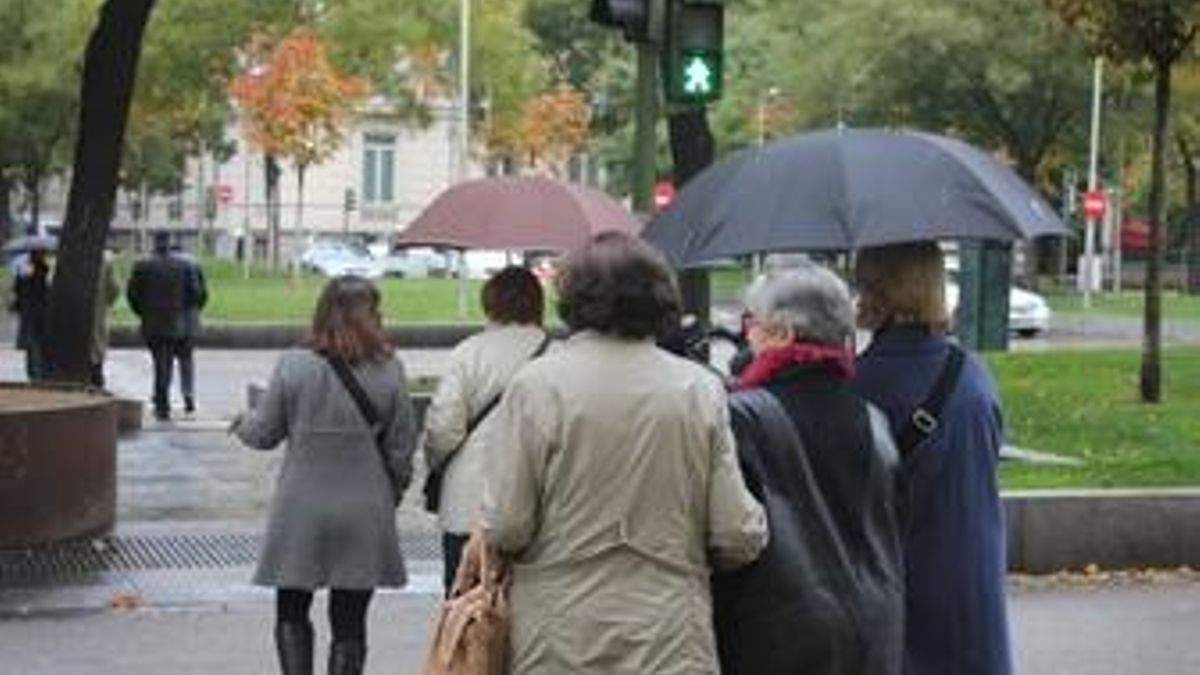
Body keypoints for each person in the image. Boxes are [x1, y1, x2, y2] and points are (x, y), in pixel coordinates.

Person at [480, 232, 767, 674]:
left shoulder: (538, 385)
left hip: (559, 630)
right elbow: (735, 533)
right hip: (668, 631)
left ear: (572, 299)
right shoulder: (697, 389)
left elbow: (508, 524)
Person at [713, 263, 904, 675]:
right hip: (877, 630)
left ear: (783, 333)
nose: (748, 335)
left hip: (779, 636)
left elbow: (728, 536)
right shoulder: (876, 421)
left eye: (753, 324)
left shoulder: (742, 418)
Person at [231, 275, 417, 675]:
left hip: (301, 508)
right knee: (350, 621)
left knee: (291, 609)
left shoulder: (294, 365)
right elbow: (402, 448)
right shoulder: (389, 370)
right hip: (364, 508)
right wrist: (392, 493)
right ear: (372, 315)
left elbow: (264, 434)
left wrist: (240, 422)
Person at [853, 242, 1012, 675]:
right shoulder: (974, 376)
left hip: (897, 589)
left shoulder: (858, 386)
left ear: (872, 292)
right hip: (974, 586)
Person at [422, 265, 550, 594]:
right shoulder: (556, 354)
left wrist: (437, 463)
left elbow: (443, 426)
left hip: (468, 501)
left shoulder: (469, 352)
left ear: (489, 303)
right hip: (537, 505)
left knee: (465, 605)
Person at [126, 232, 191, 420]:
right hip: (174, 321)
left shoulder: (142, 266)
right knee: (165, 361)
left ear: (155, 243)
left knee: (159, 361)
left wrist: (142, 312)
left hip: (151, 321)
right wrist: (180, 309)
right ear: (170, 243)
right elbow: (194, 293)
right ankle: (162, 399)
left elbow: (132, 294)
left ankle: (161, 400)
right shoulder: (182, 266)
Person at [174, 243, 208, 413]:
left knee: (164, 360)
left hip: (168, 317)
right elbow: (203, 294)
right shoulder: (194, 264)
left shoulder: (163, 263)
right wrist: (196, 310)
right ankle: (188, 394)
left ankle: (162, 397)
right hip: (189, 317)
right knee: (186, 359)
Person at [10, 249, 50, 380]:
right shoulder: (41, 271)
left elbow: (17, 291)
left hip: (31, 316)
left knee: (33, 346)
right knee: (36, 346)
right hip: (38, 315)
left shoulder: (32, 272)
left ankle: (35, 373)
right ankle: (37, 373)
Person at [90, 251, 120, 389]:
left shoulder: (70, 256)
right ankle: (97, 379)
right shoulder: (105, 260)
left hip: (75, 313)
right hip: (98, 312)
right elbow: (114, 290)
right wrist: (106, 301)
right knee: (96, 346)